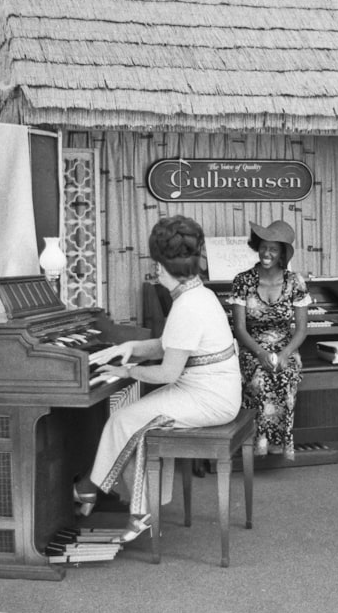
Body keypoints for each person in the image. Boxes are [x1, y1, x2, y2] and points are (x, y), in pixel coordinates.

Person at [74, 215, 241, 542]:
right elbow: (173, 345)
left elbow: (167, 372)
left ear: (162, 267)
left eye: (156, 265)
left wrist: (125, 370)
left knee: (124, 420)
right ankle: (109, 496)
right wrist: (129, 347)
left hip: (209, 399)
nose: (154, 270)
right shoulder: (198, 294)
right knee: (133, 420)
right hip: (211, 390)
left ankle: (110, 497)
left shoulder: (187, 305)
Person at [231, 219, 311, 460]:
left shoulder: (295, 282)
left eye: (273, 249)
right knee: (259, 377)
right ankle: (256, 442)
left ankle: (279, 443)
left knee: (284, 375)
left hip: (286, 347)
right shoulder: (242, 281)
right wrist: (261, 354)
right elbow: (239, 329)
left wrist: (285, 354)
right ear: (258, 247)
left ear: (282, 254)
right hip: (252, 347)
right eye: (264, 247)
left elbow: (302, 330)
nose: (267, 253)